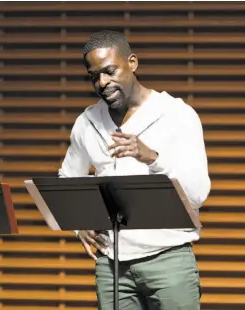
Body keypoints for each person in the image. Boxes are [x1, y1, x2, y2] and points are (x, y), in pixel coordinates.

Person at [58, 31, 211, 310]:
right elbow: (67, 179)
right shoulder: (87, 121)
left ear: (133, 62)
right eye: (94, 76)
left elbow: (198, 194)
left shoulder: (177, 114)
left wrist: (151, 157)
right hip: (111, 265)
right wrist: (79, 226)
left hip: (169, 259)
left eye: (109, 71)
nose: (102, 82)